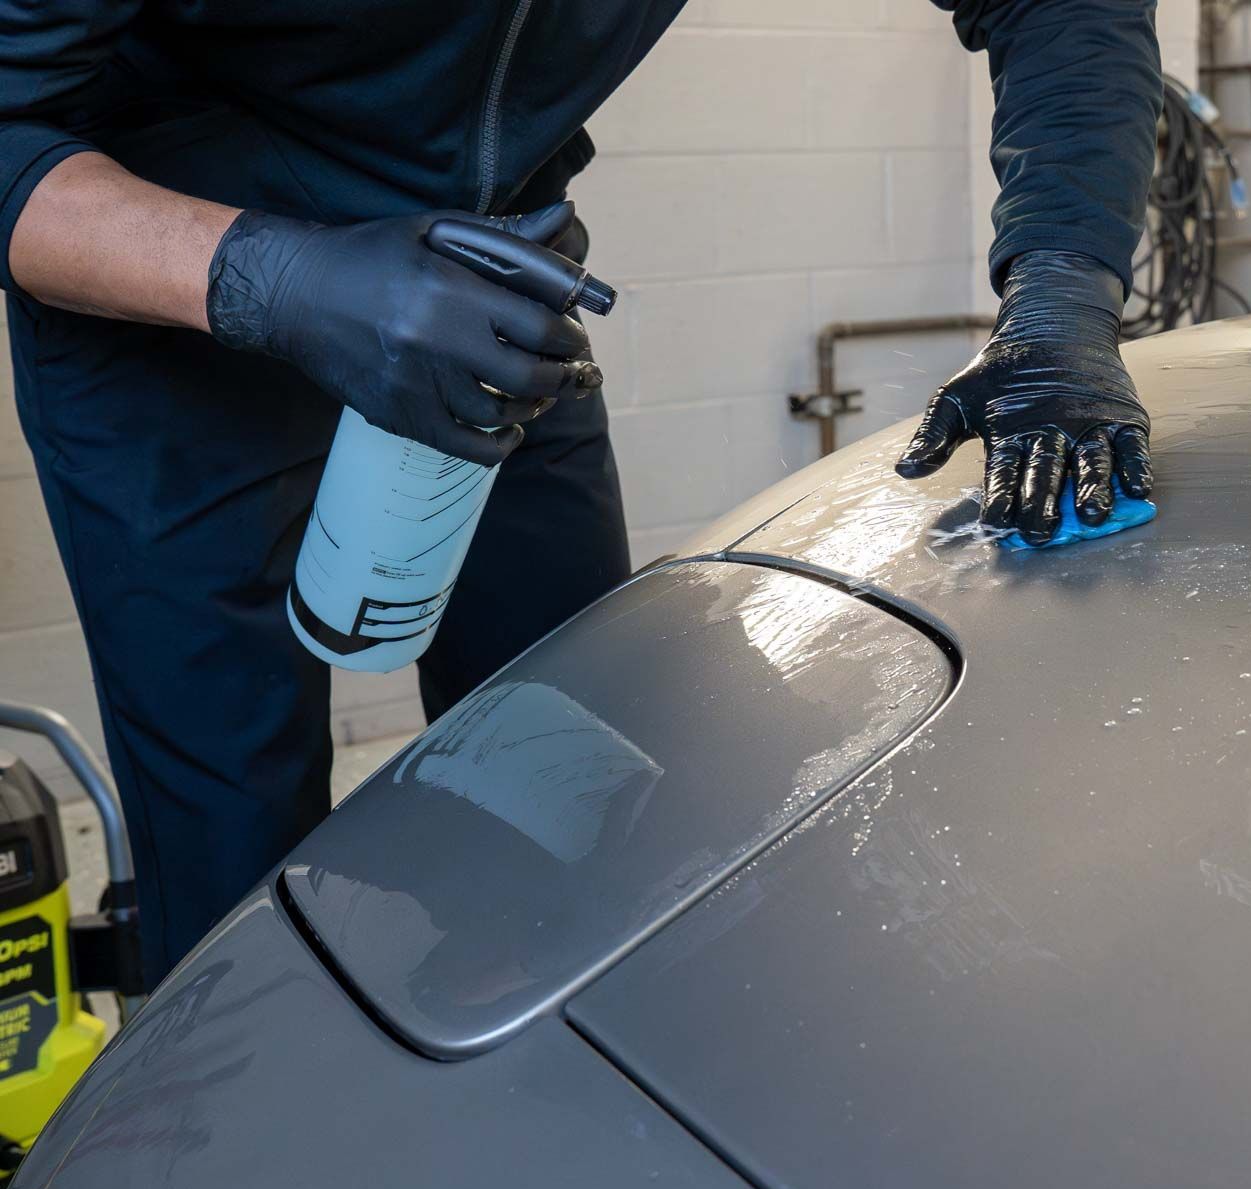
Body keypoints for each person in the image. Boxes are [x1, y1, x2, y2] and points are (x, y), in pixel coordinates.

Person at [0, 0, 1163, 984]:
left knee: (570, 778)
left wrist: (1063, 279)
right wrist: (279, 281)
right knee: (236, 871)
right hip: (172, 292)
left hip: (490, 290)